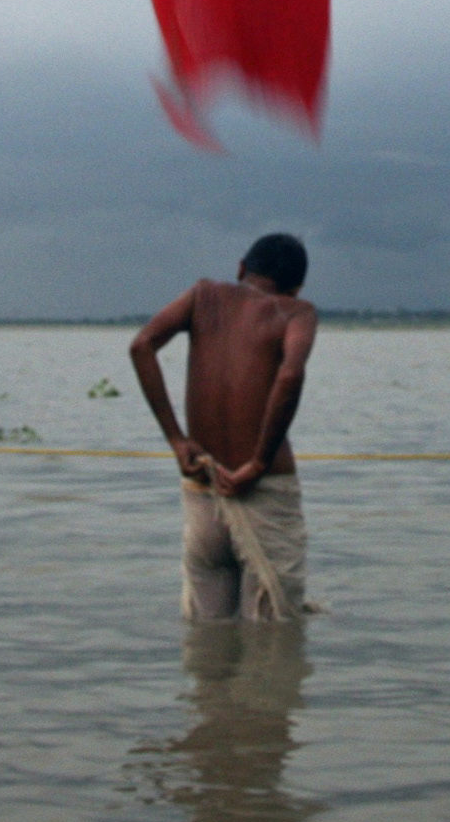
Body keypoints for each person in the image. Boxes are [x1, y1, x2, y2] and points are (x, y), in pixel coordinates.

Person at [129, 232, 318, 620]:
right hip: (264, 490)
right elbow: (290, 374)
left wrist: (177, 440)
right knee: (272, 634)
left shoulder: (203, 295)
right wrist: (258, 463)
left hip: (205, 484)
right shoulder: (297, 313)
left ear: (241, 268)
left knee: (206, 633)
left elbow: (141, 345)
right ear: (297, 287)